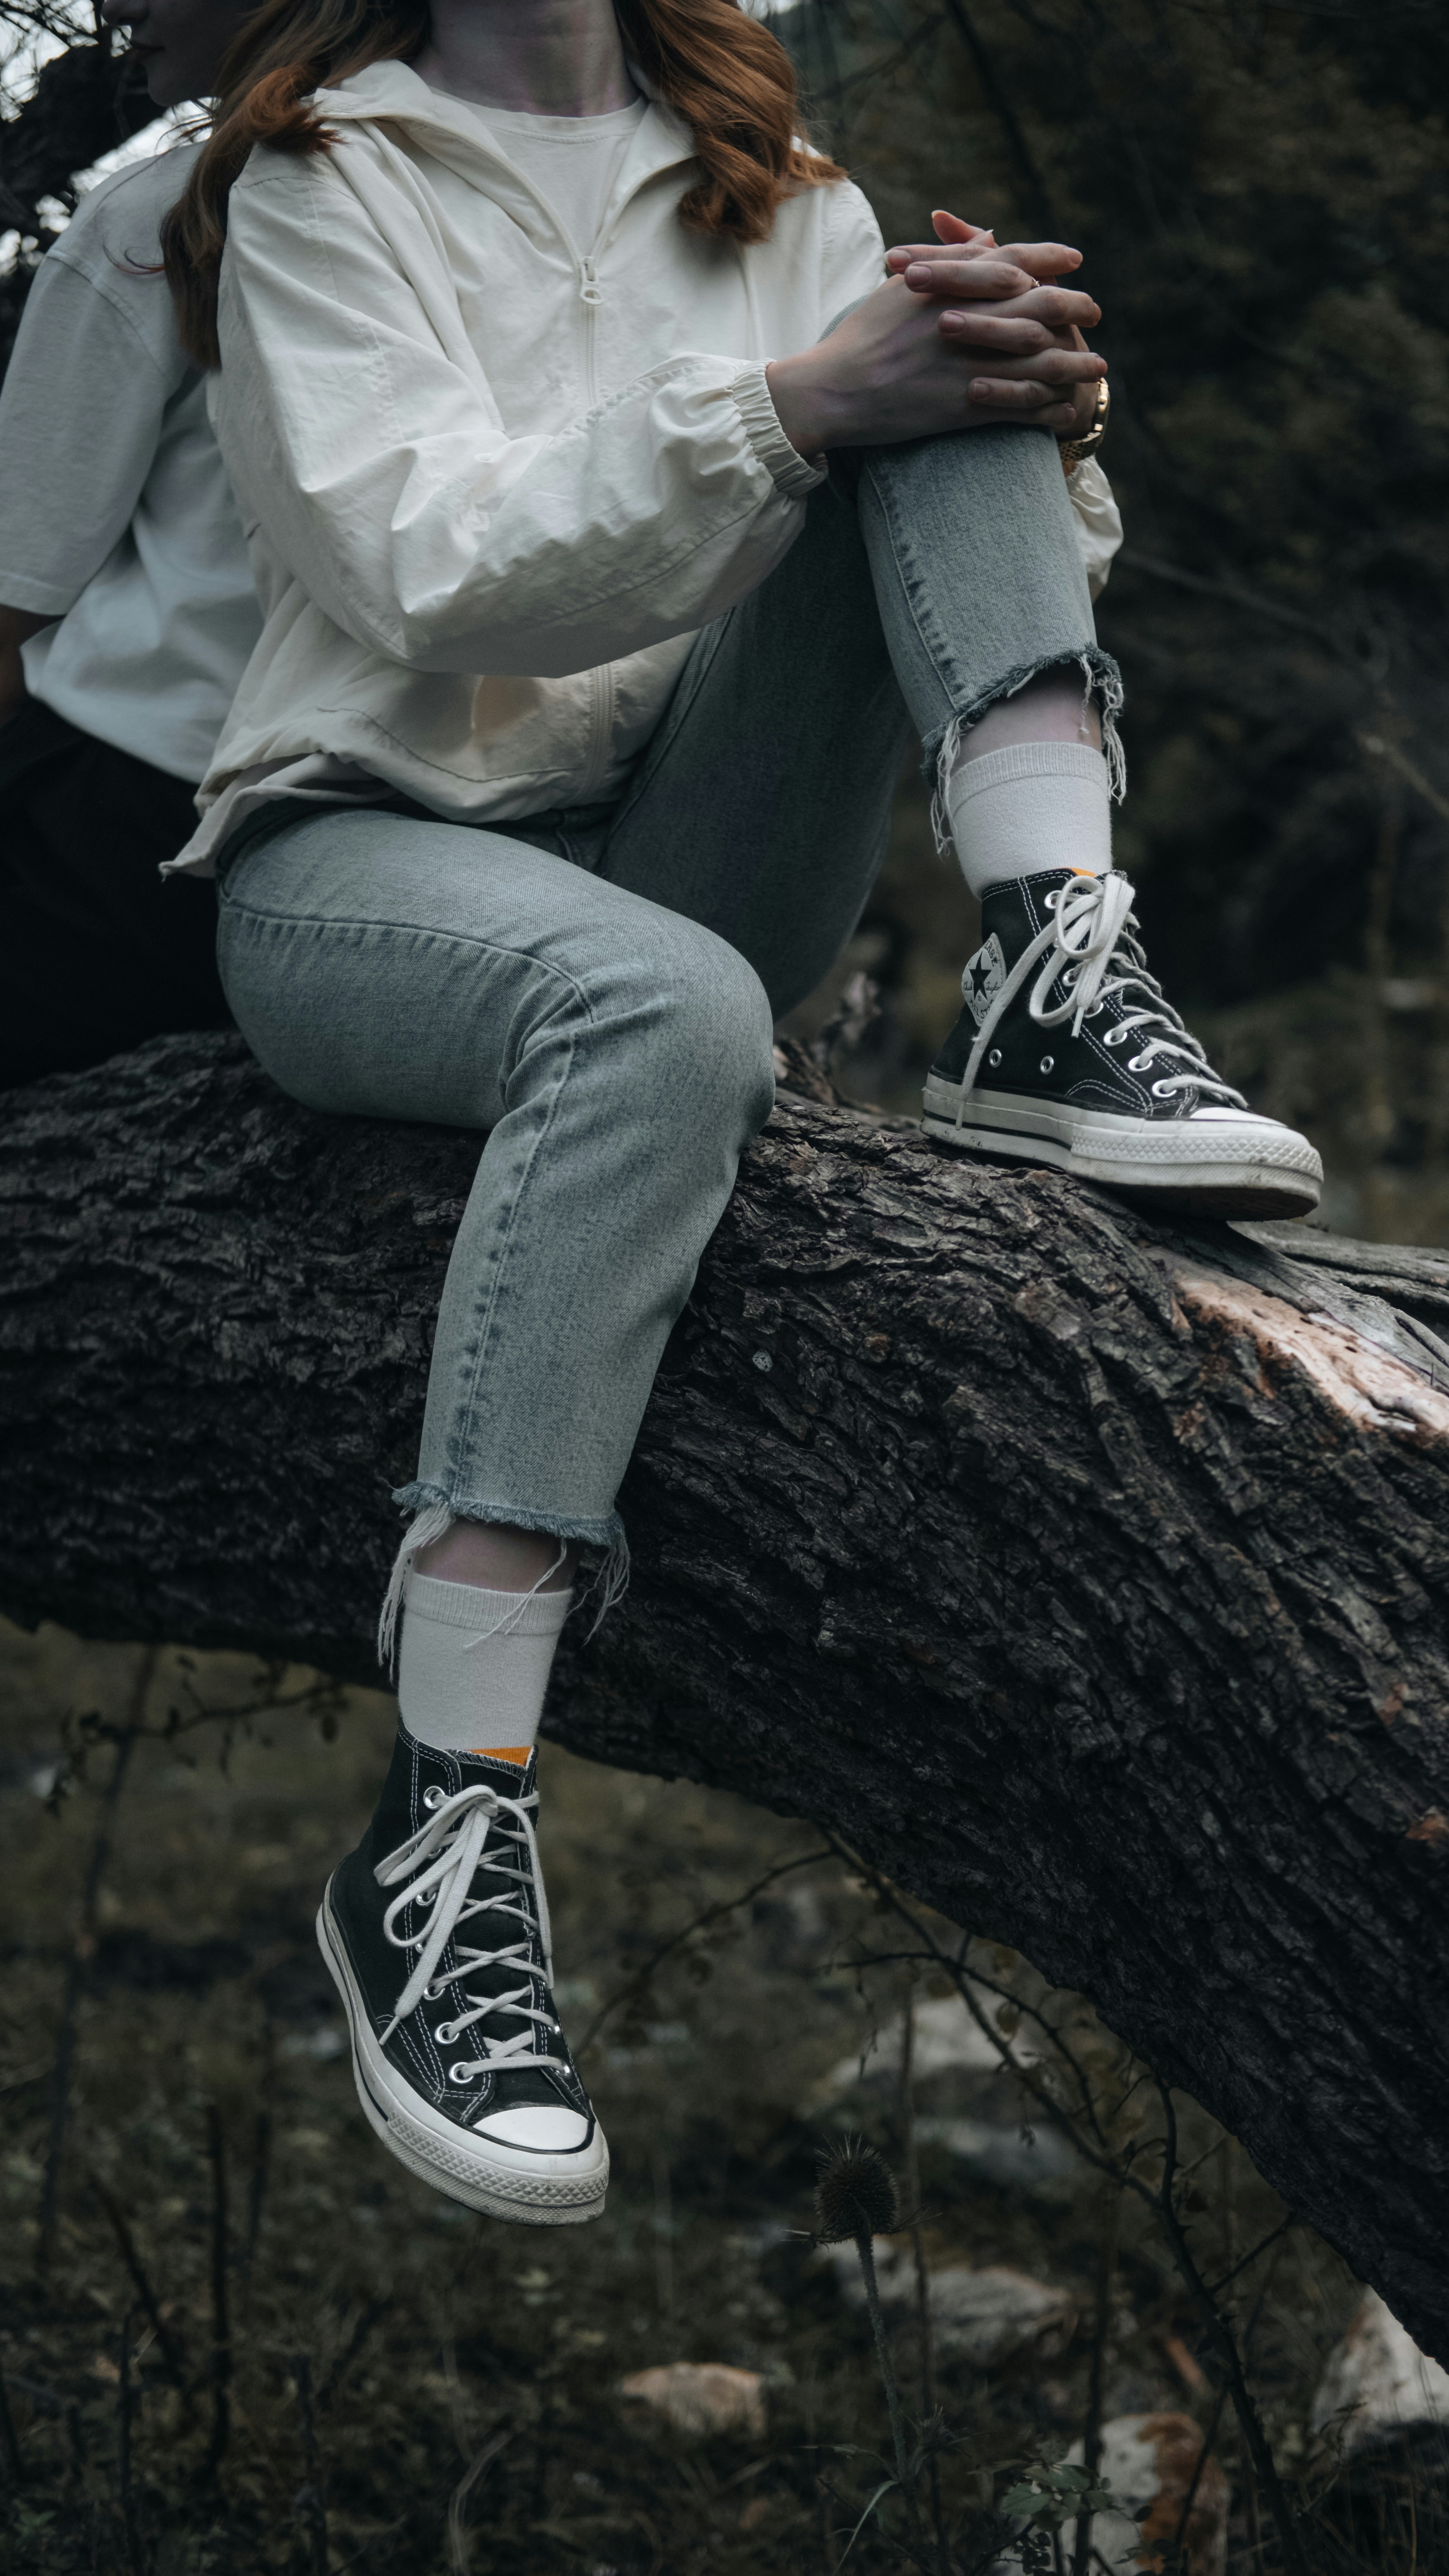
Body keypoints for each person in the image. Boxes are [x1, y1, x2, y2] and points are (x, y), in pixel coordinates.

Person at [157, 0, 1322, 2228]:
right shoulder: (321, 176)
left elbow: (945, 548)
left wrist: (1039, 418)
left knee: (948, 341)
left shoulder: (784, 198)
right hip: (360, 865)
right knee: (669, 1016)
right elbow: (429, 567)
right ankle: (443, 1826)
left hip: (701, 839)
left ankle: (1056, 965)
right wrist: (795, 405)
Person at [0, 0, 258, 1090]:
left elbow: (12, 605)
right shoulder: (475, 205)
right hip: (402, 855)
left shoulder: (165, 221)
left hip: (126, 840)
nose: (113, 8)